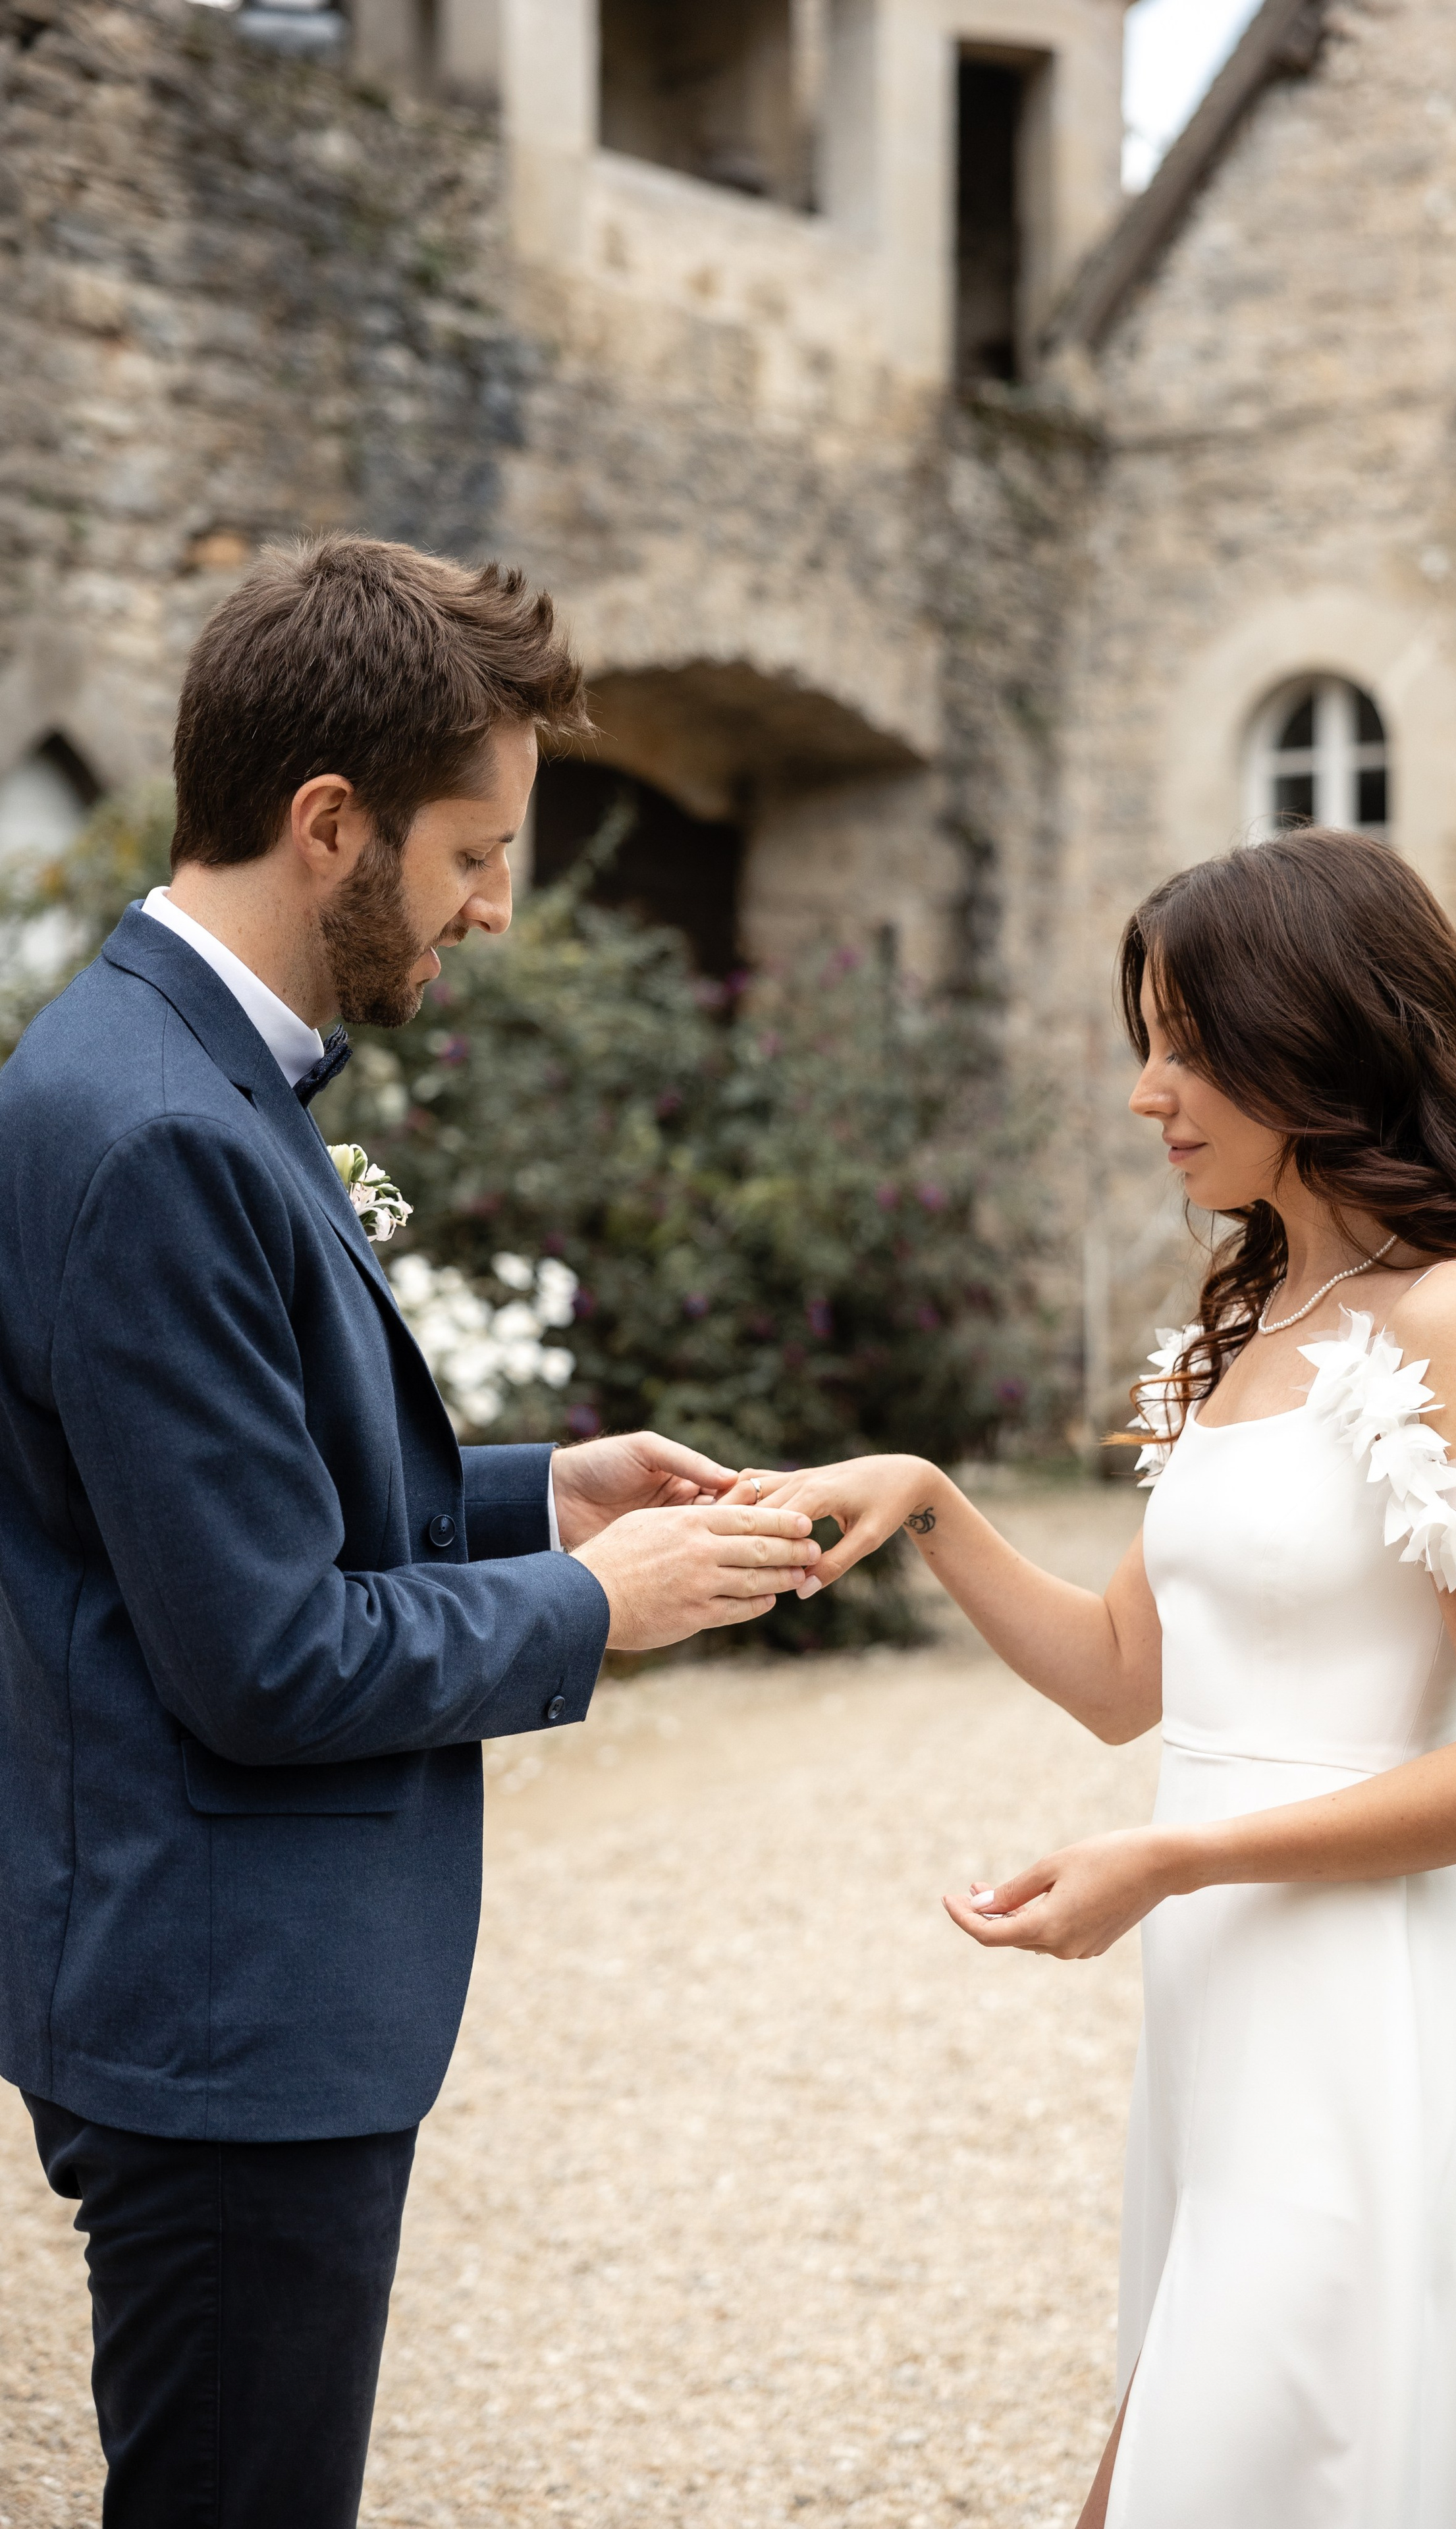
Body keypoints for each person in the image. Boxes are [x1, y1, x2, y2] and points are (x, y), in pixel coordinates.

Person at [0, 534, 824, 2528]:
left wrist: (547, 1489)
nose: (497, 906)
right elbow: (271, 1652)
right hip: (226, 2020)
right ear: (328, 824)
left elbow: (221, 1507)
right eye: (475, 849)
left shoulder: (180, 1069)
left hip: (224, 1987)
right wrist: (589, 1605)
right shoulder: (166, 1132)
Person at [747, 829, 1456, 2528]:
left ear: (1316, 1034)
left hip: (1364, 2010)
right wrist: (929, 1498)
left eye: (1185, 1041)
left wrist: (1168, 1860)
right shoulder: (1248, 1327)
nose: (1147, 1091)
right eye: (1142, 1042)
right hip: (1223, 2012)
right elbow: (1116, 1678)